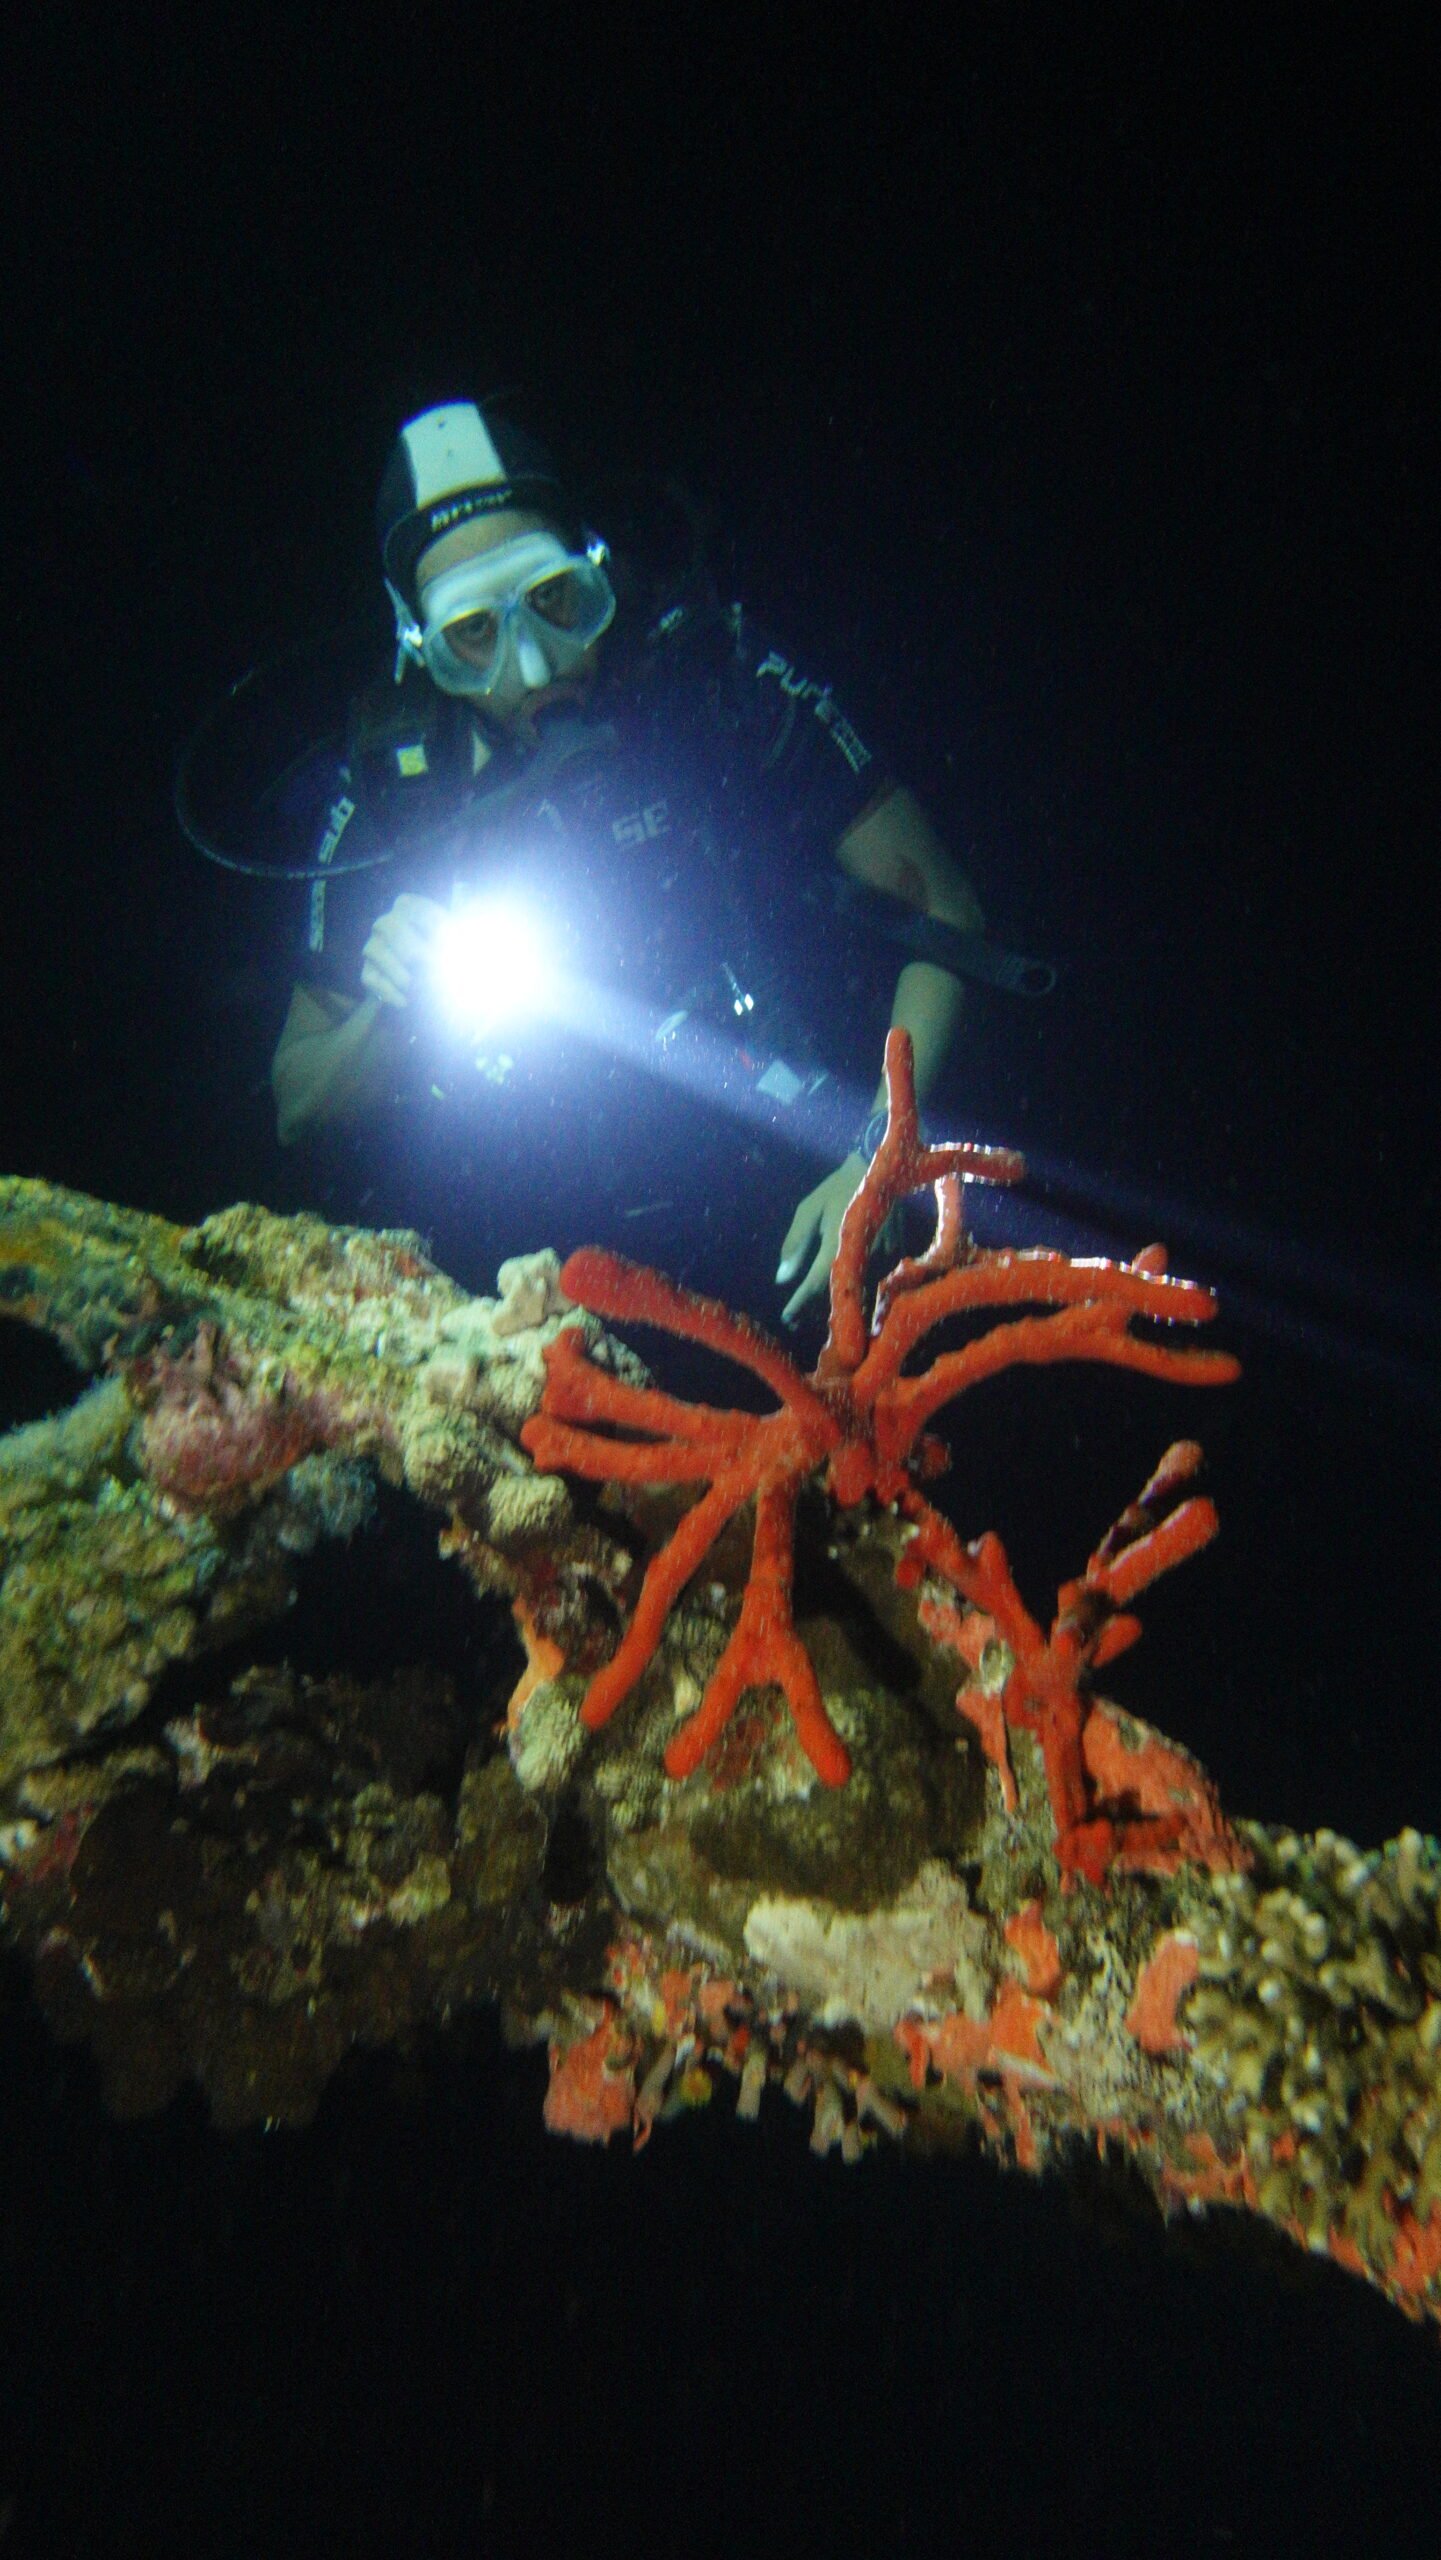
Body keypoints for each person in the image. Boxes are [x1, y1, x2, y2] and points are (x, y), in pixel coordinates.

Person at [269, 399, 985, 1320]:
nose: (533, 669)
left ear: (595, 564)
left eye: (555, 600)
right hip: (534, 1283)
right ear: (418, 642)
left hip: (809, 1203)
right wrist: (395, 1008)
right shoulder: (391, 791)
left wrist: (883, 1153)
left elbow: (948, 914)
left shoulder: (714, 681)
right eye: (474, 634)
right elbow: (298, 1101)